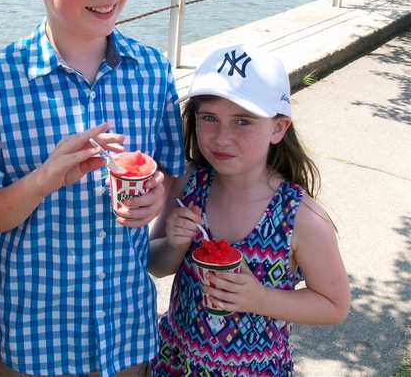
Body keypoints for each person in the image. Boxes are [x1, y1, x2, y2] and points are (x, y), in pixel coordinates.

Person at [0, 0, 185, 376]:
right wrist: (45, 178)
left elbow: (172, 171)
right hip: (31, 336)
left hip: (127, 329)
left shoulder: (151, 70)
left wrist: (156, 203)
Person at [148, 43, 351, 376]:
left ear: (278, 127)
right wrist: (174, 244)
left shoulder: (300, 218)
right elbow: (158, 265)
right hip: (175, 364)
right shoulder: (187, 184)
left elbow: (334, 305)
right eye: (209, 117)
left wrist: (258, 299)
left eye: (243, 121)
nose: (221, 137)